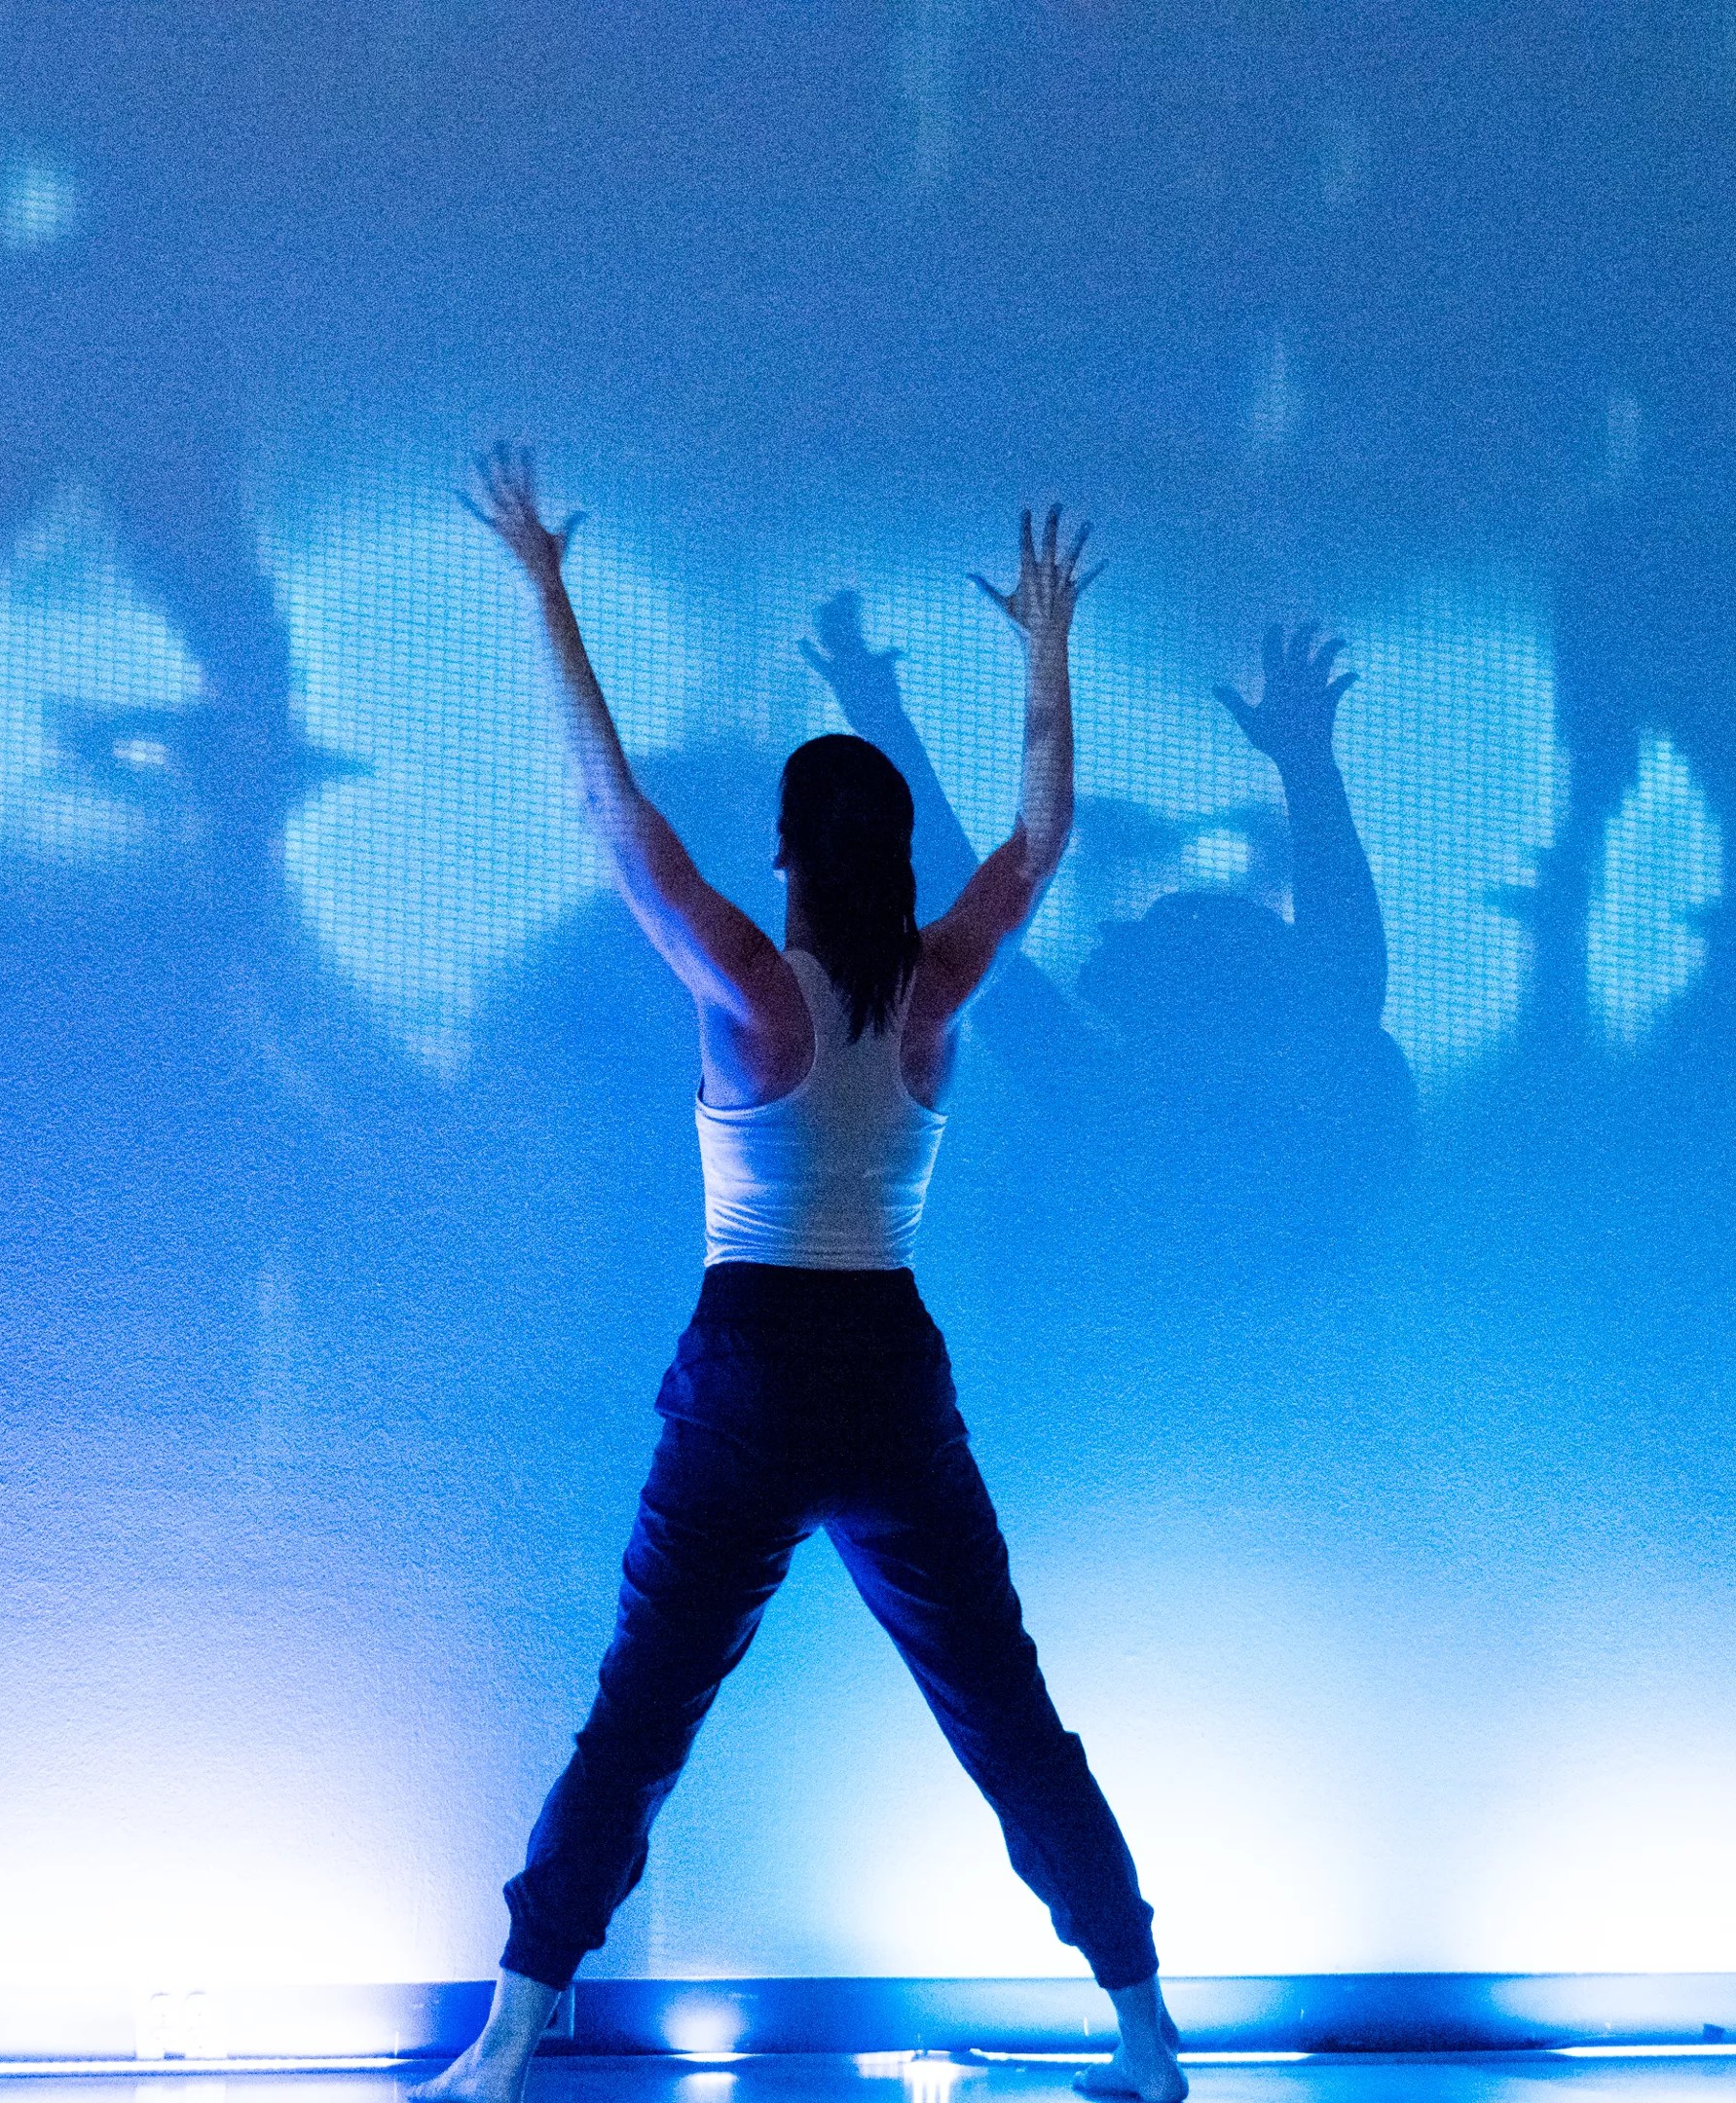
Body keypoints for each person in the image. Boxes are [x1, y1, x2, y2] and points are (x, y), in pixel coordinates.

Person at [423, 448, 1183, 2103]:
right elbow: (1040, 836)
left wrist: (547, 589)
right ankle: (1148, 2037)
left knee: (641, 1717)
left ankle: (504, 2048)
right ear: (896, 855)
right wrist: (1046, 649)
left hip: (754, 1370)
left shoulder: (749, 990)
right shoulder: (938, 985)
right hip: (889, 1369)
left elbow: (611, 813)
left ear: (784, 850)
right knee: (1006, 1717)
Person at [804, 595, 1414, 1281]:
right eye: (1155, 920)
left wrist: (881, 722)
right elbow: (1342, 967)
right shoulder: (1303, 1056)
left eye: (1156, 925)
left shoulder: (1118, 1107)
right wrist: (1306, 765)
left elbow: (963, 907)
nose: (1114, 924)